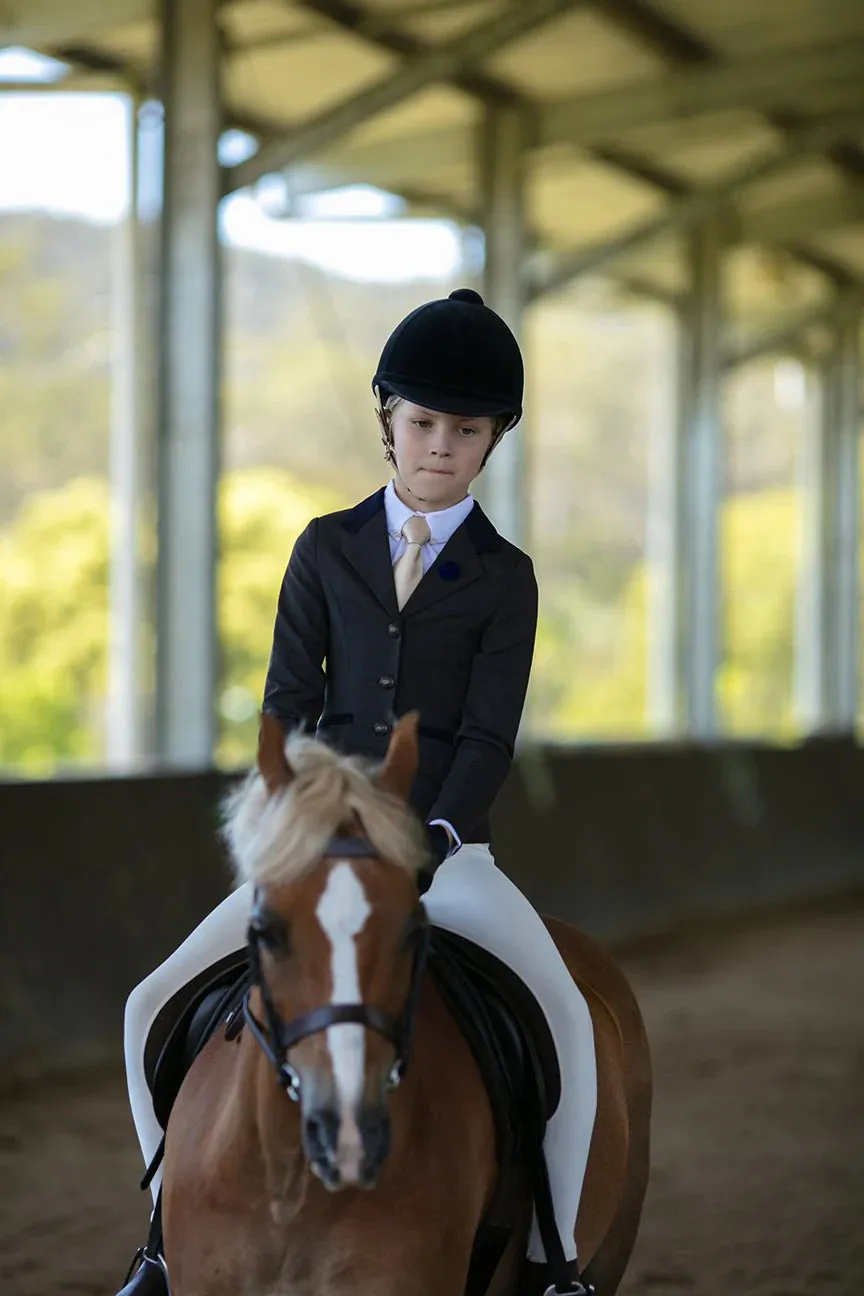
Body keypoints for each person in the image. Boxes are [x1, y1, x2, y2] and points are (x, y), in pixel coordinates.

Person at [118, 288, 597, 1296]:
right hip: (323, 850)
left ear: (491, 440)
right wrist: (300, 827)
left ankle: (557, 1260)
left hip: (446, 855)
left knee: (567, 1018)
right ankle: (163, 1242)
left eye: (464, 432)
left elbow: (487, 732)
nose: (439, 448)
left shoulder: (505, 577)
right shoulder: (324, 548)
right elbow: (289, 704)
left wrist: (424, 839)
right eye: (423, 425)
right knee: (149, 1002)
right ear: (388, 421)